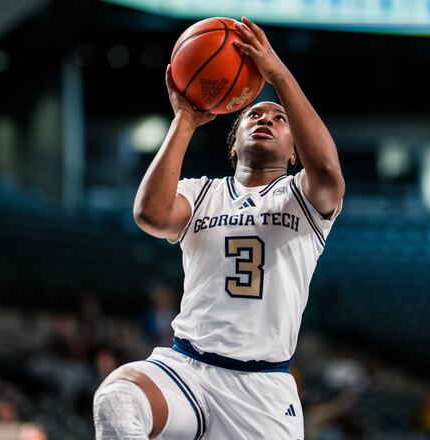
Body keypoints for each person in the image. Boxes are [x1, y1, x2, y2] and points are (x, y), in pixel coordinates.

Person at [93, 16, 344, 440]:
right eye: (254, 115)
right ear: (233, 142)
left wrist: (276, 73)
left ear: (295, 152)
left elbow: (327, 170)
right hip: (187, 369)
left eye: (279, 118)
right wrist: (185, 122)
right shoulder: (201, 192)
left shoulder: (304, 198)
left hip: (261, 389)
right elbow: (150, 215)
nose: (265, 118)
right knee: (117, 400)